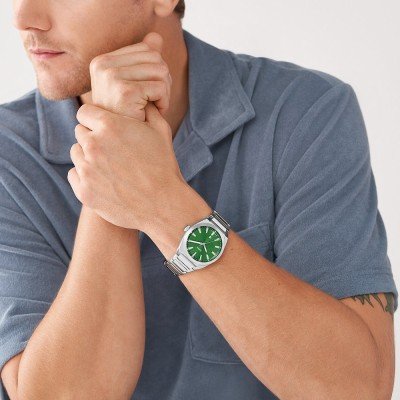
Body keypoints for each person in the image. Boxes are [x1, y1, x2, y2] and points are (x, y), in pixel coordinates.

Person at [0, 1, 397, 399]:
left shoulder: (303, 111)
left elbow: (355, 390)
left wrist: (162, 204)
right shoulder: (8, 155)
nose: (23, 19)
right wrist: (109, 156)